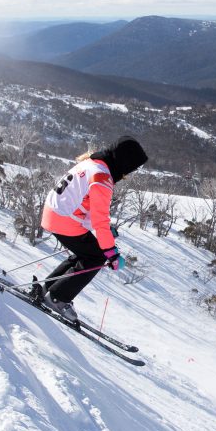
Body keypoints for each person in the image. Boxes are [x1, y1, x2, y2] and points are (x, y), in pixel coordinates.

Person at [37, 136, 149, 321]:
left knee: (86, 253)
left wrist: (104, 235)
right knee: (96, 257)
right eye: (134, 167)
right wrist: (111, 253)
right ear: (125, 162)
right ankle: (58, 298)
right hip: (64, 219)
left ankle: (49, 289)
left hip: (55, 212)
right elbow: (100, 220)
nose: (132, 172)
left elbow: (83, 202)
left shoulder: (93, 163)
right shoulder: (102, 178)